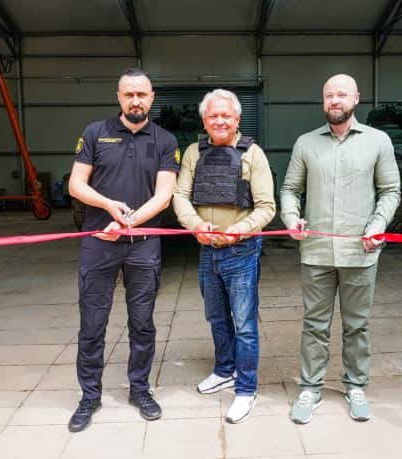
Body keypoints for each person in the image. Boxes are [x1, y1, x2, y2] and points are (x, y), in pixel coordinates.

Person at [280, 74, 401, 424]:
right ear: (323, 101)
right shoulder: (306, 143)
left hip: (360, 253)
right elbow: (290, 188)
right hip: (316, 252)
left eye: (342, 94)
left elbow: (391, 190)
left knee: (357, 325)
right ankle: (310, 388)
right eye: (329, 95)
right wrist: (291, 217)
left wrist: (378, 224)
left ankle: (356, 386)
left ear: (356, 98)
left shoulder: (378, 141)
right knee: (314, 325)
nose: (335, 100)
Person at [67, 68, 179, 432]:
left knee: (142, 322)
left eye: (141, 94)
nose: (135, 100)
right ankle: (89, 396)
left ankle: (140, 389)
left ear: (152, 98)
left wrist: (128, 222)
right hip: (98, 243)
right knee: (92, 323)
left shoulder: (164, 140)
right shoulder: (95, 132)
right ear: (118, 97)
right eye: (128, 94)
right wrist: (108, 206)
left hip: (143, 245)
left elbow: (164, 196)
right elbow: (75, 185)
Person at [172, 89, 276, 424]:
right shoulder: (194, 152)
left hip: (241, 250)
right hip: (207, 250)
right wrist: (195, 226)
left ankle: (246, 389)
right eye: (213, 116)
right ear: (204, 121)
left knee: (244, 324)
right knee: (216, 318)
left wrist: (239, 230)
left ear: (237, 119)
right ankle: (224, 370)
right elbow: (180, 195)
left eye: (226, 115)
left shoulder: (253, 154)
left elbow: (267, 207)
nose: (219, 121)